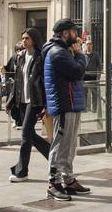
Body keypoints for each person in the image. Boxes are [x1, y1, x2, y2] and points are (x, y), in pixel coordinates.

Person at [44, 19, 90, 201]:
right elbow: (77, 72)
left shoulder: (63, 51)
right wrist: (80, 54)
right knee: (60, 144)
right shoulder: (58, 53)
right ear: (64, 33)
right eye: (73, 32)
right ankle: (53, 183)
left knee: (69, 144)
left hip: (71, 103)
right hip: (64, 104)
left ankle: (67, 179)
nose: (76, 35)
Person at [9, 28, 49, 183]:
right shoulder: (21, 57)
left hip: (35, 100)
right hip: (22, 100)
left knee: (26, 134)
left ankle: (21, 171)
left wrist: (46, 103)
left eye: (26, 38)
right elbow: (18, 80)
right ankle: (55, 158)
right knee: (30, 135)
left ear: (34, 39)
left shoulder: (41, 57)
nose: (24, 41)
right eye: (22, 38)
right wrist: (12, 100)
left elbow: (45, 80)